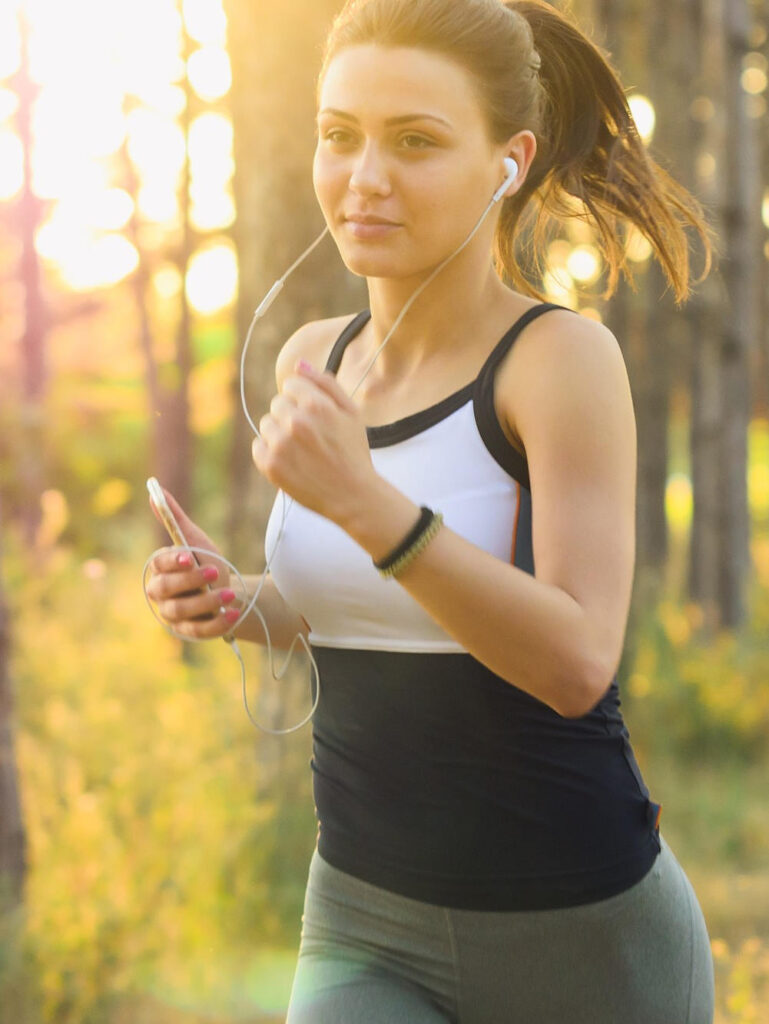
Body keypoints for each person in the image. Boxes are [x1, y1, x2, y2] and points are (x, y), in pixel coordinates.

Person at [146, 1, 718, 1020]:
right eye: (339, 136)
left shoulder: (556, 362)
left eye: (415, 141)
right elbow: (358, 604)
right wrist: (239, 601)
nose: (364, 178)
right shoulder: (310, 358)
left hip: (578, 931)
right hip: (363, 916)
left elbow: (576, 660)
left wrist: (368, 505)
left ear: (508, 160)